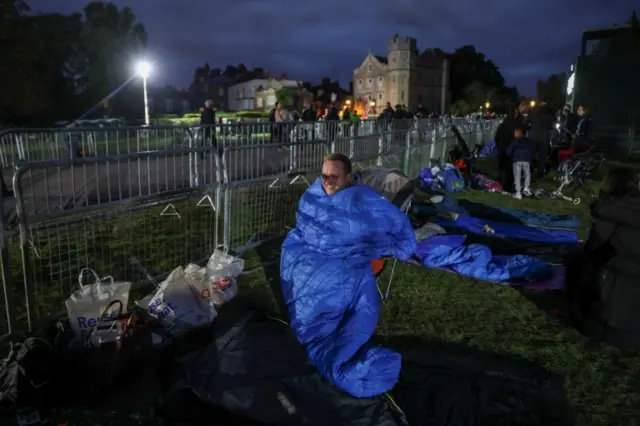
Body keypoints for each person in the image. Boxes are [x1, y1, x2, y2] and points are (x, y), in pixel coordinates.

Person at [280, 153, 416, 397]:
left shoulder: (361, 197)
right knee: (322, 316)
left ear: (349, 177)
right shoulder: (312, 195)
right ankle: (342, 359)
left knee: (356, 304)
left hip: (344, 265)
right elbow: (306, 223)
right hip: (312, 259)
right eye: (324, 176)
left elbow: (396, 222)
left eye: (334, 176)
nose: (328, 182)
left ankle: (342, 357)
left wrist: (402, 247)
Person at [566, 167, 640, 349]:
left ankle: (579, 310)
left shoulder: (613, 208)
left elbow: (594, 245)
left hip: (614, 329)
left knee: (576, 259)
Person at [493, 103, 519, 192]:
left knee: (503, 169)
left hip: (502, 149)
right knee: (508, 170)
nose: (517, 113)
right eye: (516, 111)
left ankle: (503, 185)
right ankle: (507, 187)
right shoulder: (513, 123)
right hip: (508, 149)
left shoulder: (504, 122)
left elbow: (497, 137)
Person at [526, 101, 556, 179]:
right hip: (543, 138)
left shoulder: (533, 114)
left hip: (532, 137)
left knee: (531, 155)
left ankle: (529, 170)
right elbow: (551, 127)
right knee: (542, 157)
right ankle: (540, 173)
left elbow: (526, 124)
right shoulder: (549, 116)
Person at [506, 123, 536, 199]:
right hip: (527, 160)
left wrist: (512, 157)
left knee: (517, 176)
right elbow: (533, 150)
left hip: (517, 160)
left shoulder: (515, 141)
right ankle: (526, 187)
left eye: (515, 133)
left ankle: (518, 193)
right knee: (527, 175)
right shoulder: (529, 141)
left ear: (518, 133)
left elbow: (508, 151)